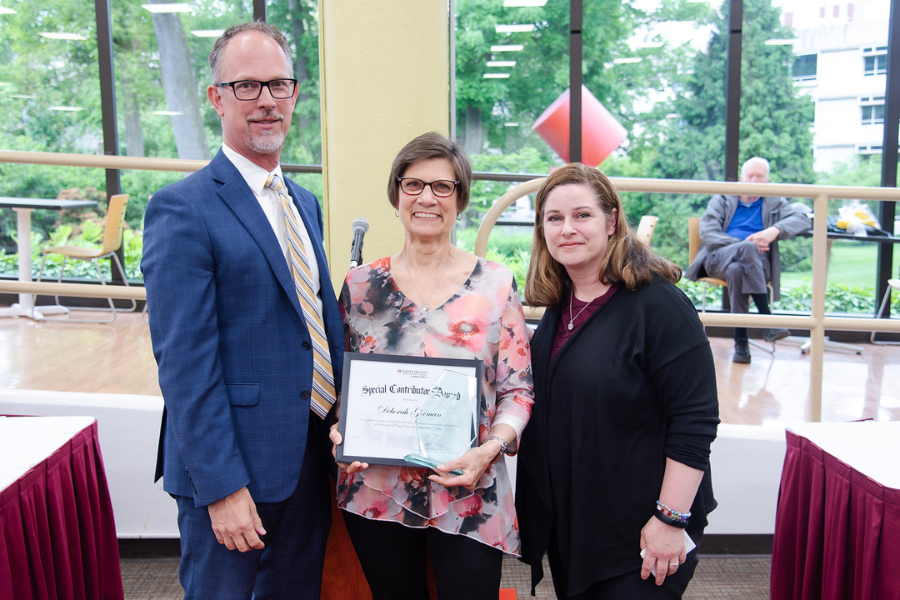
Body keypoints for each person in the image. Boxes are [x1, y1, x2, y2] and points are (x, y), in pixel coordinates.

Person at [141, 22, 344, 599]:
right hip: (231, 476)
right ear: (217, 98)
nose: (266, 101)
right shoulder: (181, 209)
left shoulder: (303, 202)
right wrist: (221, 487)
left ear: (295, 94)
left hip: (306, 462)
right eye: (247, 86)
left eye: (278, 85)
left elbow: (312, 327)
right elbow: (184, 364)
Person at [328, 132, 534, 600]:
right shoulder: (360, 286)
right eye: (413, 184)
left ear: (459, 198)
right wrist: (341, 427)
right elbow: (341, 384)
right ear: (396, 193)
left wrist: (491, 450)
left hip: (471, 487)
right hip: (377, 488)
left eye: (442, 187)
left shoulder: (496, 285)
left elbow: (518, 391)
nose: (426, 197)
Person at [516, 164, 720, 599]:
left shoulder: (659, 305)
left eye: (582, 215)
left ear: (611, 221)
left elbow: (695, 420)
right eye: (554, 218)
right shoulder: (561, 306)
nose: (567, 229)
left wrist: (670, 520)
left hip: (642, 532)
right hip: (578, 526)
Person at [685, 157, 811, 363]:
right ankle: (766, 317)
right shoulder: (722, 199)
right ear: (742, 178)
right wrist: (743, 243)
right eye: (750, 176)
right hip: (717, 259)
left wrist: (774, 230)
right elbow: (708, 234)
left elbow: (803, 219)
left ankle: (741, 342)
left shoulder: (774, 203)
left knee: (737, 270)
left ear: (768, 181)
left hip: (756, 266)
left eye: (759, 177)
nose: (754, 181)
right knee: (747, 248)